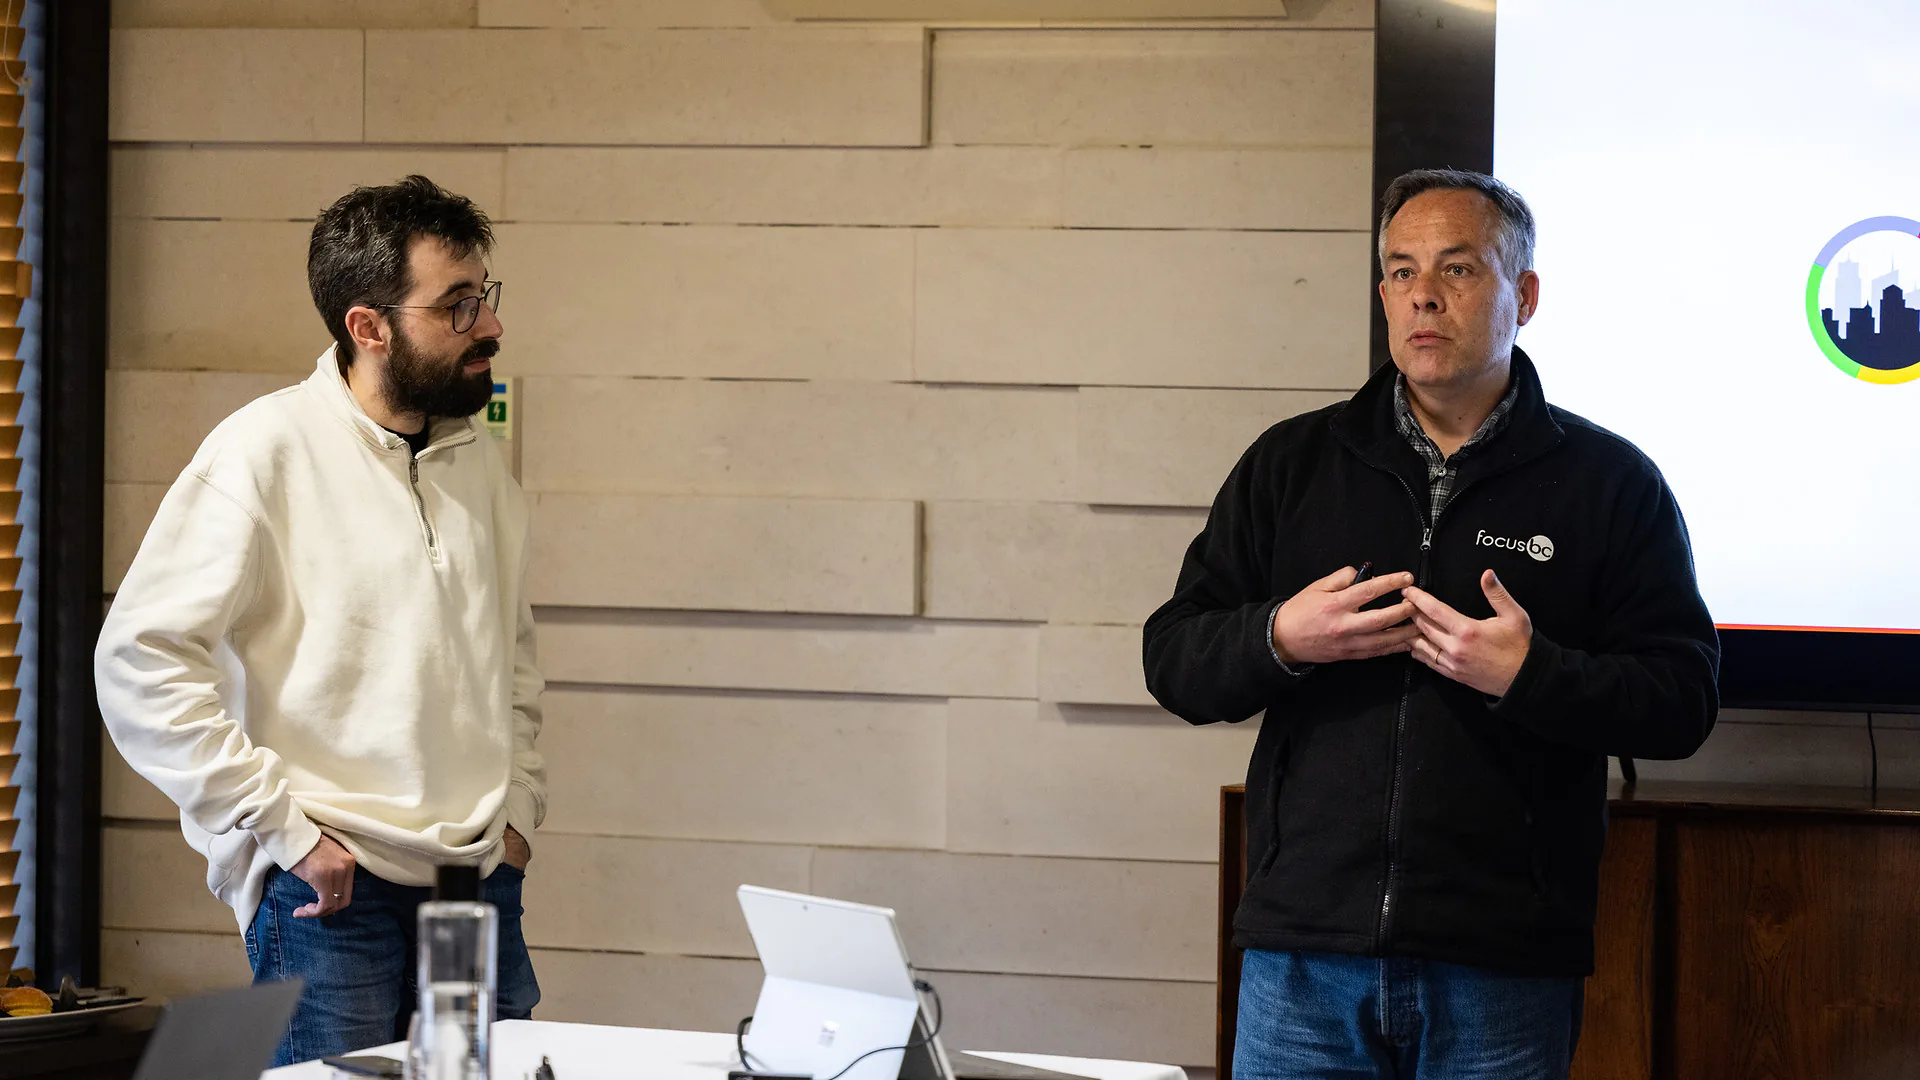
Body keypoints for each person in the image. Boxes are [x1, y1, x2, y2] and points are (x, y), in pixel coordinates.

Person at [1142, 169, 1718, 1079]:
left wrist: (1530, 675)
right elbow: (1172, 656)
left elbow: (1682, 702)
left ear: (1522, 296)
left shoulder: (1612, 483)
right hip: (1303, 957)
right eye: (1401, 271)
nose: (1423, 295)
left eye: (1458, 270)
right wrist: (1280, 640)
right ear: (1381, 294)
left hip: (1502, 966)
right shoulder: (1292, 463)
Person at [95, 175, 545, 1065]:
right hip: (331, 893)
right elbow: (139, 661)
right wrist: (283, 831)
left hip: (480, 879)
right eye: (456, 306)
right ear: (368, 327)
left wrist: (521, 808)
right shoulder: (262, 451)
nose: (488, 325)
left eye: (483, 296)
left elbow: (512, 657)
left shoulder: (477, 460)